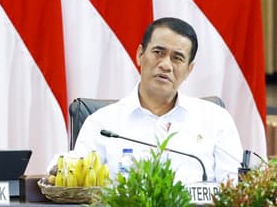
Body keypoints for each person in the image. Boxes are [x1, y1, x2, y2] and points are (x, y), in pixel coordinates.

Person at [55, 17, 244, 184]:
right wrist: (56, 169)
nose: (165, 65)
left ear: (189, 70)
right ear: (140, 54)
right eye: (158, 52)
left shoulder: (215, 119)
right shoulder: (103, 123)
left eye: (177, 58)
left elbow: (232, 186)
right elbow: (71, 170)